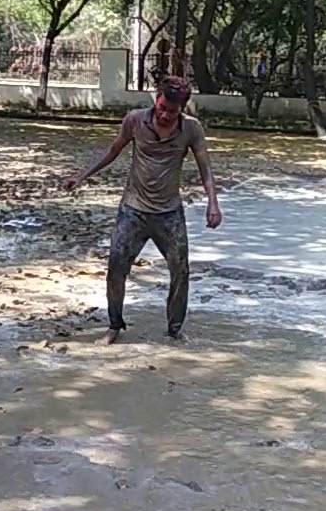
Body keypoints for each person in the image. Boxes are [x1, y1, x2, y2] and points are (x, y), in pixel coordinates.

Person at [64, 76, 221, 345]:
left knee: (180, 271)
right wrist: (82, 176)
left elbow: (205, 168)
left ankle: (174, 328)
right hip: (133, 210)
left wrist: (213, 203)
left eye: (172, 111)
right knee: (116, 267)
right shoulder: (135, 120)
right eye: (162, 107)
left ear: (182, 108)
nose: (165, 114)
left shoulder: (192, 129)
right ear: (156, 99)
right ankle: (114, 325)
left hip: (169, 213)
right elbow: (113, 151)